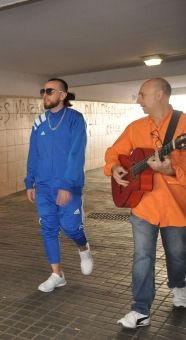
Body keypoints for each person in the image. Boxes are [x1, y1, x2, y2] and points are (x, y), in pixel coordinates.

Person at [105, 78, 186, 329]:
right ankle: (140, 309)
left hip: (176, 208)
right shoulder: (135, 127)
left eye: (142, 95)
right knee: (142, 256)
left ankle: (180, 286)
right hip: (142, 205)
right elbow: (113, 152)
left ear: (159, 95)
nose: (138, 100)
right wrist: (116, 167)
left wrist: (171, 171)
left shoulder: (183, 125)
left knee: (178, 255)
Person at [24, 78, 93, 293]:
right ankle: (57, 274)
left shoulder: (75, 119)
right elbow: (33, 153)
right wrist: (30, 181)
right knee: (48, 229)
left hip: (68, 186)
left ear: (63, 95)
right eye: (43, 91)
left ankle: (84, 248)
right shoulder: (39, 122)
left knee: (71, 227)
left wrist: (66, 184)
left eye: (50, 91)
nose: (45, 95)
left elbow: (76, 153)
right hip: (44, 186)